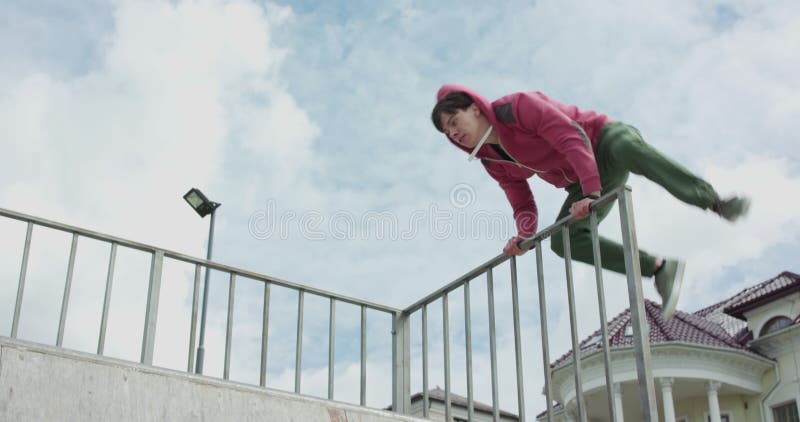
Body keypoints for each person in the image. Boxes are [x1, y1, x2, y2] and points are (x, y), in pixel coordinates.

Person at [431, 84, 749, 320]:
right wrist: (524, 236)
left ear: (474, 108)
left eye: (454, 121)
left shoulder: (516, 108)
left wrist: (591, 193)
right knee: (563, 241)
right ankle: (658, 268)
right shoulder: (491, 161)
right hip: (581, 182)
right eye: (447, 131)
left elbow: (571, 136)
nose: (453, 133)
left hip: (602, 141)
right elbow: (522, 203)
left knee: (627, 147)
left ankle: (715, 202)